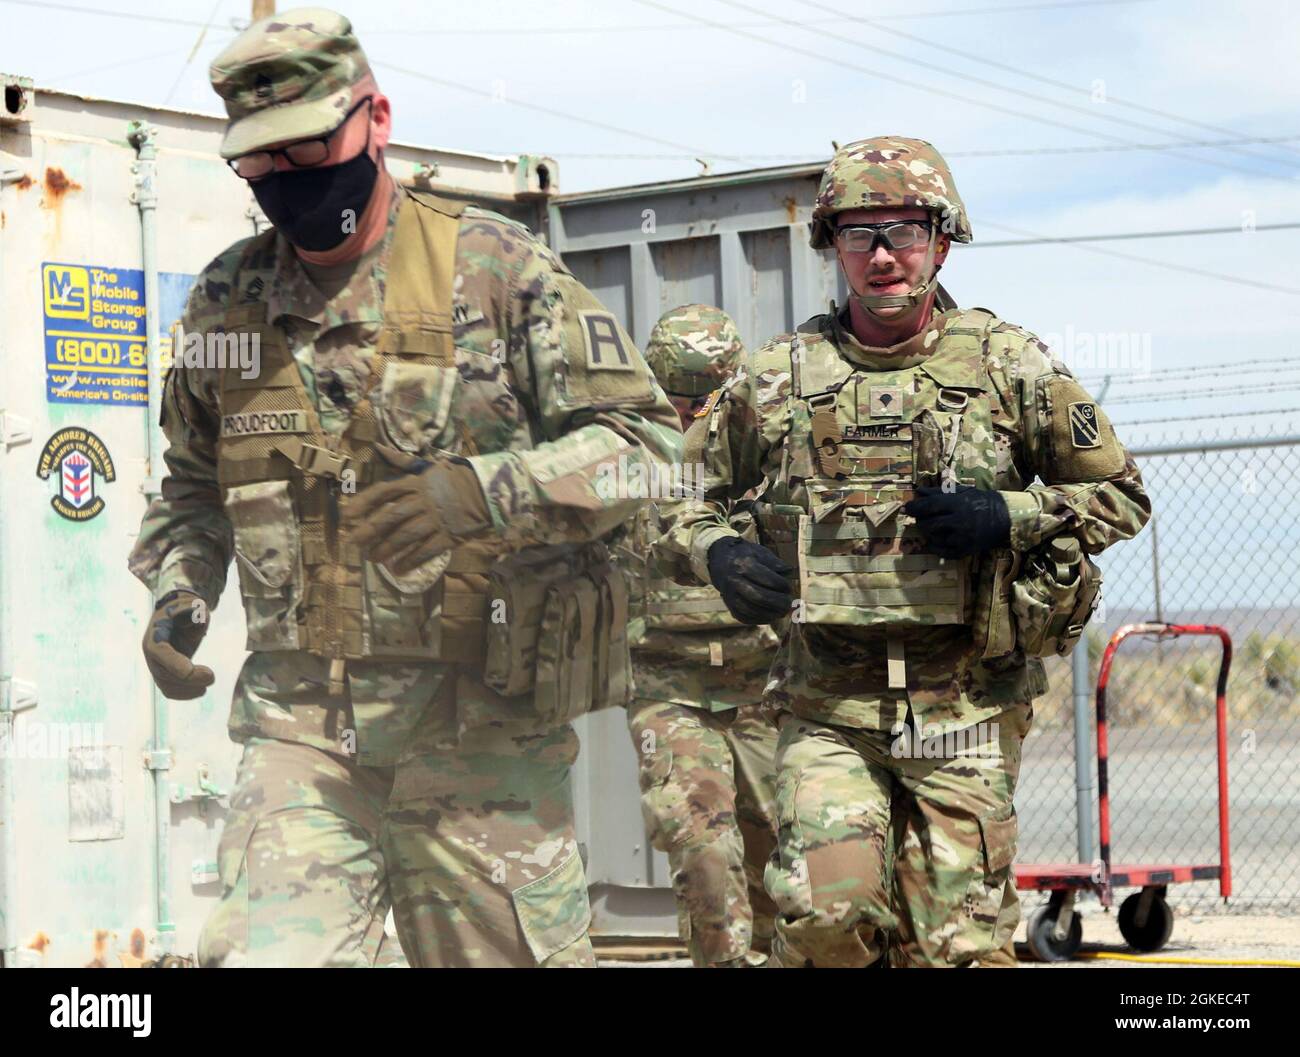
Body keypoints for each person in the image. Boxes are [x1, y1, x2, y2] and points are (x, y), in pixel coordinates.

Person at [129, 7, 681, 967]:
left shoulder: (495, 270)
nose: (287, 183)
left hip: (478, 735)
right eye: (258, 165)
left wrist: (483, 491)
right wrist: (180, 591)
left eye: (308, 149)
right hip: (299, 737)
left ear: (376, 117)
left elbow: (652, 452)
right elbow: (190, 484)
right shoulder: (224, 302)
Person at [662, 137, 1150, 967]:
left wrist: (1010, 512)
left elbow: (1122, 496)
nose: (883, 256)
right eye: (860, 235)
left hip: (964, 705)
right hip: (829, 708)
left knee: (956, 948)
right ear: (832, 246)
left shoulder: (1008, 364)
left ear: (943, 238)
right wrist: (715, 553)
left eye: (904, 232)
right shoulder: (779, 375)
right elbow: (679, 496)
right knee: (822, 919)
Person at [624, 305, 781, 967]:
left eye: (706, 400)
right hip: (671, 688)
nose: (690, 415)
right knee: (708, 862)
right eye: (676, 399)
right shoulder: (623, 455)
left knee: (786, 869)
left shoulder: (765, 450)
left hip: (763, 688)